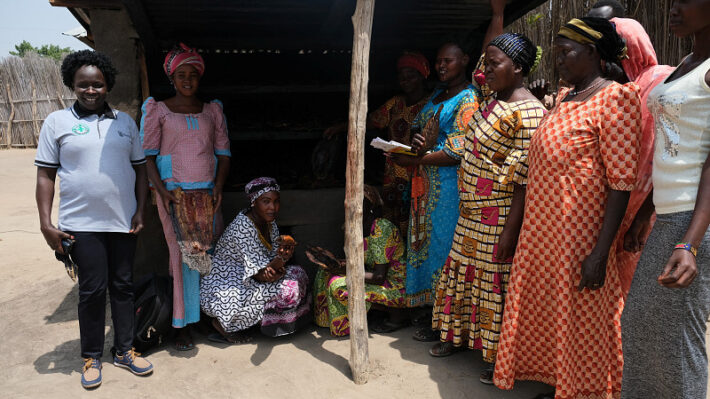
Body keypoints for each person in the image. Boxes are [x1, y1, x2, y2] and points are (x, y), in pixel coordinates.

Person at [493, 18, 642, 399]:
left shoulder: (615, 99)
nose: (557, 60)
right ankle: (565, 385)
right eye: (555, 52)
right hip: (544, 236)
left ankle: (589, 391)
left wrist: (600, 251)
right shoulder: (564, 98)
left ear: (592, 54)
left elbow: (621, 185)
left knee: (585, 320)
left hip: (581, 240)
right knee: (558, 317)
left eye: (566, 52)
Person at [431, 22, 547, 388]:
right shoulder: (491, 101)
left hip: (497, 218)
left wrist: (510, 232)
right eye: (486, 62)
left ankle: (497, 358)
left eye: (494, 64)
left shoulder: (529, 114)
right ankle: (458, 338)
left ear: (518, 68)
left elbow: (523, 182)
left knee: (493, 286)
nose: (486, 70)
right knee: (463, 276)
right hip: (470, 214)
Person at [35, 50, 153, 389]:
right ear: (72, 85)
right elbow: (46, 175)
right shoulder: (56, 122)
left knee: (123, 286)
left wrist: (140, 209)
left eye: (98, 84)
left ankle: (125, 350)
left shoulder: (125, 123)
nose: (91, 90)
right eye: (83, 85)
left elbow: (140, 169)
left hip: (122, 222)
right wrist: (46, 224)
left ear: (108, 86)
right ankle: (91, 355)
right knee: (91, 290)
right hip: (80, 224)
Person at [621, 1, 710, 397]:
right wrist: (645, 214)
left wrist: (690, 242)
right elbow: (674, 147)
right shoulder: (689, 61)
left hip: (695, 220)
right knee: (641, 326)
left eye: (686, 1)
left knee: (678, 339)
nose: (674, 9)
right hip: (671, 214)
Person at [141, 43, 231, 351]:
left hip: (207, 195)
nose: (188, 80)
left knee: (206, 255)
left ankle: (207, 315)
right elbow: (148, 157)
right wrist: (161, 191)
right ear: (172, 77)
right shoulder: (159, 110)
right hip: (174, 196)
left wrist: (218, 187)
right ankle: (181, 324)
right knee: (181, 257)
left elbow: (224, 155)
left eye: (193, 74)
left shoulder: (212, 111)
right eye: (182, 74)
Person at [390, 42, 482, 320]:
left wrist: (415, 160)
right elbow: (420, 127)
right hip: (424, 188)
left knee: (443, 247)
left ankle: (445, 317)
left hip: (447, 190)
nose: (441, 66)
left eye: (448, 61)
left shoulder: (468, 99)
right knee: (424, 247)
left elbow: (457, 150)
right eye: (439, 61)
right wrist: (413, 142)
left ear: (465, 60)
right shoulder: (438, 95)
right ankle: (427, 307)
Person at [324, 52, 430, 237]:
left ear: (422, 76)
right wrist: (340, 128)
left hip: (418, 169)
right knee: (392, 217)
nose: (405, 81)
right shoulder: (395, 103)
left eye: (411, 76)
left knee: (416, 216)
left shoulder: (432, 104)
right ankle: (392, 259)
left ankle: (411, 261)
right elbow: (369, 121)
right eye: (402, 77)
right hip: (393, 170)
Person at [200, 177, 310, 343]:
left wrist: (281, 257)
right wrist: (281, 259)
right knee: (287, 291)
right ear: (254, 202)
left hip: (251, 278)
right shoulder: (243, 227)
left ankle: (260, 322)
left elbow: (270, 264)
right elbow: (262, 275)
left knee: (298, 273)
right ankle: (224, 324)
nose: (272, 207)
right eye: (266, 201)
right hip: (227, 287)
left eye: (276, 201)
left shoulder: (269, 224)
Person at [610, 18, 675, 294]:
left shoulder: (662, 81)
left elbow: (670, 155)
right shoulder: (624, 89)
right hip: (625, 212)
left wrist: (641, 216)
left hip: (655, 212)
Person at [313, 185, 407, 335]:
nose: (350, 208)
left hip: (397, 286)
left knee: (338, 286)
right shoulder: (356, 228)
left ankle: (396, 313)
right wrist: (332, 261)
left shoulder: (380, 228)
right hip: (376, 278)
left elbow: (378, 277)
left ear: (369, 207)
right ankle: (329, 323)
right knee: (323, 272)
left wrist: (342, 269)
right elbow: (358, 263)